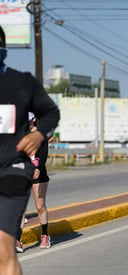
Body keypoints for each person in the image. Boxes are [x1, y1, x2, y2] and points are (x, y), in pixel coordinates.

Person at [0, 25, 60, 275]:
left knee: (3, 248)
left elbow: (51, 113)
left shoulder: (22, 82)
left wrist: (37, 133)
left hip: (12, 168)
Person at [15, 115, 52, 253]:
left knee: (40, 206)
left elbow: (43, 154)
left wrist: (38, 168)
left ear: (34, 119)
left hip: (39, 174)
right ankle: (18, 240)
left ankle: (45, 236)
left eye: (29, 119)